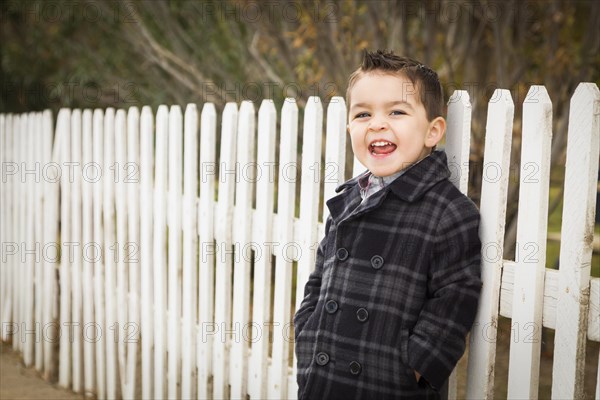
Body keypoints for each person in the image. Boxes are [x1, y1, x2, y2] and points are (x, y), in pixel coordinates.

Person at [293, 50, 482, 400]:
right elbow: (320, 278)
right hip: (323, 375)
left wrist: (416, 365)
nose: (377, 124)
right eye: (363, 114)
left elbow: (455, 298)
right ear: (350, 126)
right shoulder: (347, 200)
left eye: (396, 111)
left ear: (432, 131)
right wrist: (306, 330)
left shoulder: (447, 211)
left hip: (389, 384)